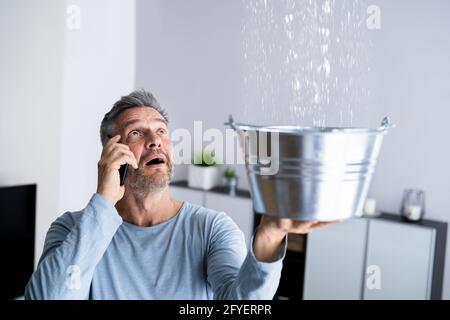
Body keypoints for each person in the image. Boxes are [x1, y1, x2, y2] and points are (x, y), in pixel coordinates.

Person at [25, 89, 335, 300]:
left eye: (161, 131)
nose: (155, 141)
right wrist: (104, 201)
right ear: (111, 151)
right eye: (136, 132)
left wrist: (268, 236)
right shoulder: (70, 230)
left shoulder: (212, 228)